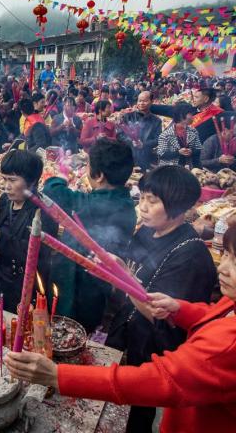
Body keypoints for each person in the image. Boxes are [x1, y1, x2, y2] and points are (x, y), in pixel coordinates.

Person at [4, 222, 236, 433]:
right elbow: (218, 314)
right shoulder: (231, 300)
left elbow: (162, 379)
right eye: (226, 255)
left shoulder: (228, 344)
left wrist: (57, 376)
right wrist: (181, 309)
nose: (223, 269)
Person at [106, 165, 217, 432]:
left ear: (178, 208)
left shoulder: (190, 256)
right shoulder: (146, 230)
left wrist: (123, 278)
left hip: (152, 351)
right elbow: (132, 271)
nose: (142, 207)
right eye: (142, 197)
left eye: (152, 201)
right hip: (125, 333)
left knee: (135, 412)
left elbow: (162, 315)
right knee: (109, 407)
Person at [43, 138, 136, 331]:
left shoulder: (93, 204)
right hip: (101, 285)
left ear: (99, 175)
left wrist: (61, 175)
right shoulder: (126, 204)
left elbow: (52, 195)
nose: (86, 170)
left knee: (71, 329)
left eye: (88, 166)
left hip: (79, 284)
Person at [0, 150, 57, 313]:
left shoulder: (45, 211)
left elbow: (39, 254)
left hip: (29, 288)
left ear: (32, 181)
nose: (6, 186)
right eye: (5, 179)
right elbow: (0, 239)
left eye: (12, 180)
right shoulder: (5, 201)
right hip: (3, 283)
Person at [120, 91, 162, 171]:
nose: (141, 103)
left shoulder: (156, 121)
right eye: (140, 101)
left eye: (145, 101)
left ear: (151, 102)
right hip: (128, 154)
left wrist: (144, 144)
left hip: (146, 157)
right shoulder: (128, 117)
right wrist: (130, 141)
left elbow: (158, 139)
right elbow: (120, 135)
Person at [157, 102, 202, 168]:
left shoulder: (193, 131)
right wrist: (178, 152)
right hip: (171, 169)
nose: (193, 117)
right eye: (190, 114)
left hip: (190, 168)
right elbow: (161, 154)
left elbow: (198, 149)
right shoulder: (166, 135)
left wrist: (191, 151)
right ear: (181, 115)